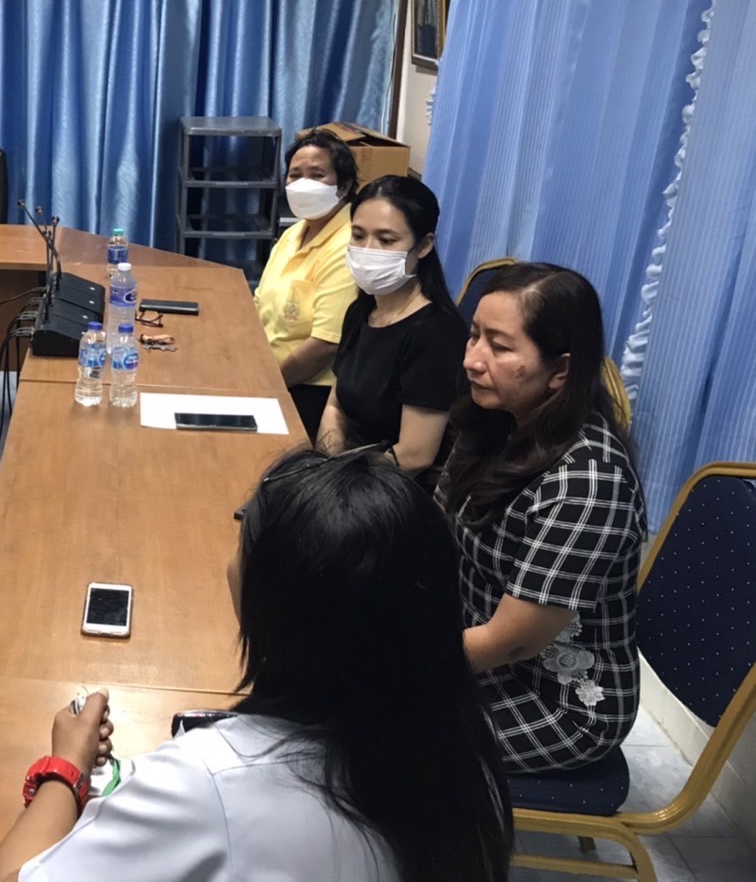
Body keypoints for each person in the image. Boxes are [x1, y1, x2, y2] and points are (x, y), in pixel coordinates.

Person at [0, 449, 512, 882]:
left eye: (244, 545)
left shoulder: (209, 783)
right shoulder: (466, 745)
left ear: (275, 605)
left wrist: (67, 766)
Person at [442, 263, 645, 773]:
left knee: (363, 734)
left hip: (554, 700)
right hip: (475, 645)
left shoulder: (588, 483)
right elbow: (435, 527)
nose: (472, 360)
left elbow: (513, 641)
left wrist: (392, 663)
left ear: (560, 371)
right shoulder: (496, 418)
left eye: (499, 347)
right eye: (474, 336)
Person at [316, 176, 466, 481]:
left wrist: (338, 486)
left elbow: (414, 455)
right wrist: (326, 467)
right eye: (358, 235)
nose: (367, 250)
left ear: (424, 245)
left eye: (386, 240)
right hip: (344, 472)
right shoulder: (361, 311)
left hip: (390, 486)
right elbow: (336, 406)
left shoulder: (435, 333)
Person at [252, 131, 359, 440]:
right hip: (266, 372)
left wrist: (267, 386)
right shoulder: (293, 234)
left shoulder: (348, 244)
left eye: (317, 175)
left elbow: (325, 345)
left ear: (344, 186)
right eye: (295, 175)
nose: (303, 184)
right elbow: (259, 304)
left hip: (308, 391)